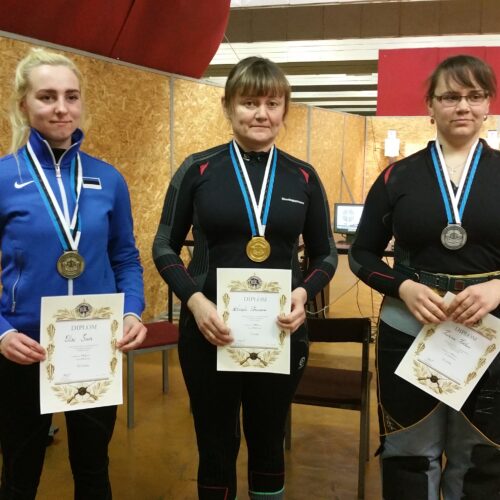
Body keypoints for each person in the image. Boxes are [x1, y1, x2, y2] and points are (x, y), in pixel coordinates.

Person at [153, 56, 337, 499]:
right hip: (208, 330)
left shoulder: (303, 176)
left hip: (280, 332)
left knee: (269, 443)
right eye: (249, 102)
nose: (261, 114)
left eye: (272, 103)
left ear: (285, 109)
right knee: (215, 446)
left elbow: (326, 254)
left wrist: (303, 292)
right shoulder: (198, 169)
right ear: (228, 106)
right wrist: (195, 302)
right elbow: (163, 246)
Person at [349, 54, 500, 499]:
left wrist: (498, 288)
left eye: (475, 96)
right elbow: (361, 254)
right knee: (409, 451)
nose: (463, 106)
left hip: (489, 330)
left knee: (483, 455)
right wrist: (404, 287)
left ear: (488, 104)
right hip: (408, 326)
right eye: (450, 96)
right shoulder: (397, 177)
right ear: (430, 106)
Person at [0, 47, 147, 499]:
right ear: (23, 103)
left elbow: (125, 257)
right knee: (20, 474)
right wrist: (1, 331)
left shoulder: (109, 179)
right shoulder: (4, 177)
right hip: (24, 349)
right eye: (47, 97)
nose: (61, 108)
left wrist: (133, 311)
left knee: (93, 468)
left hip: (94, 345)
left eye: (71, 96)